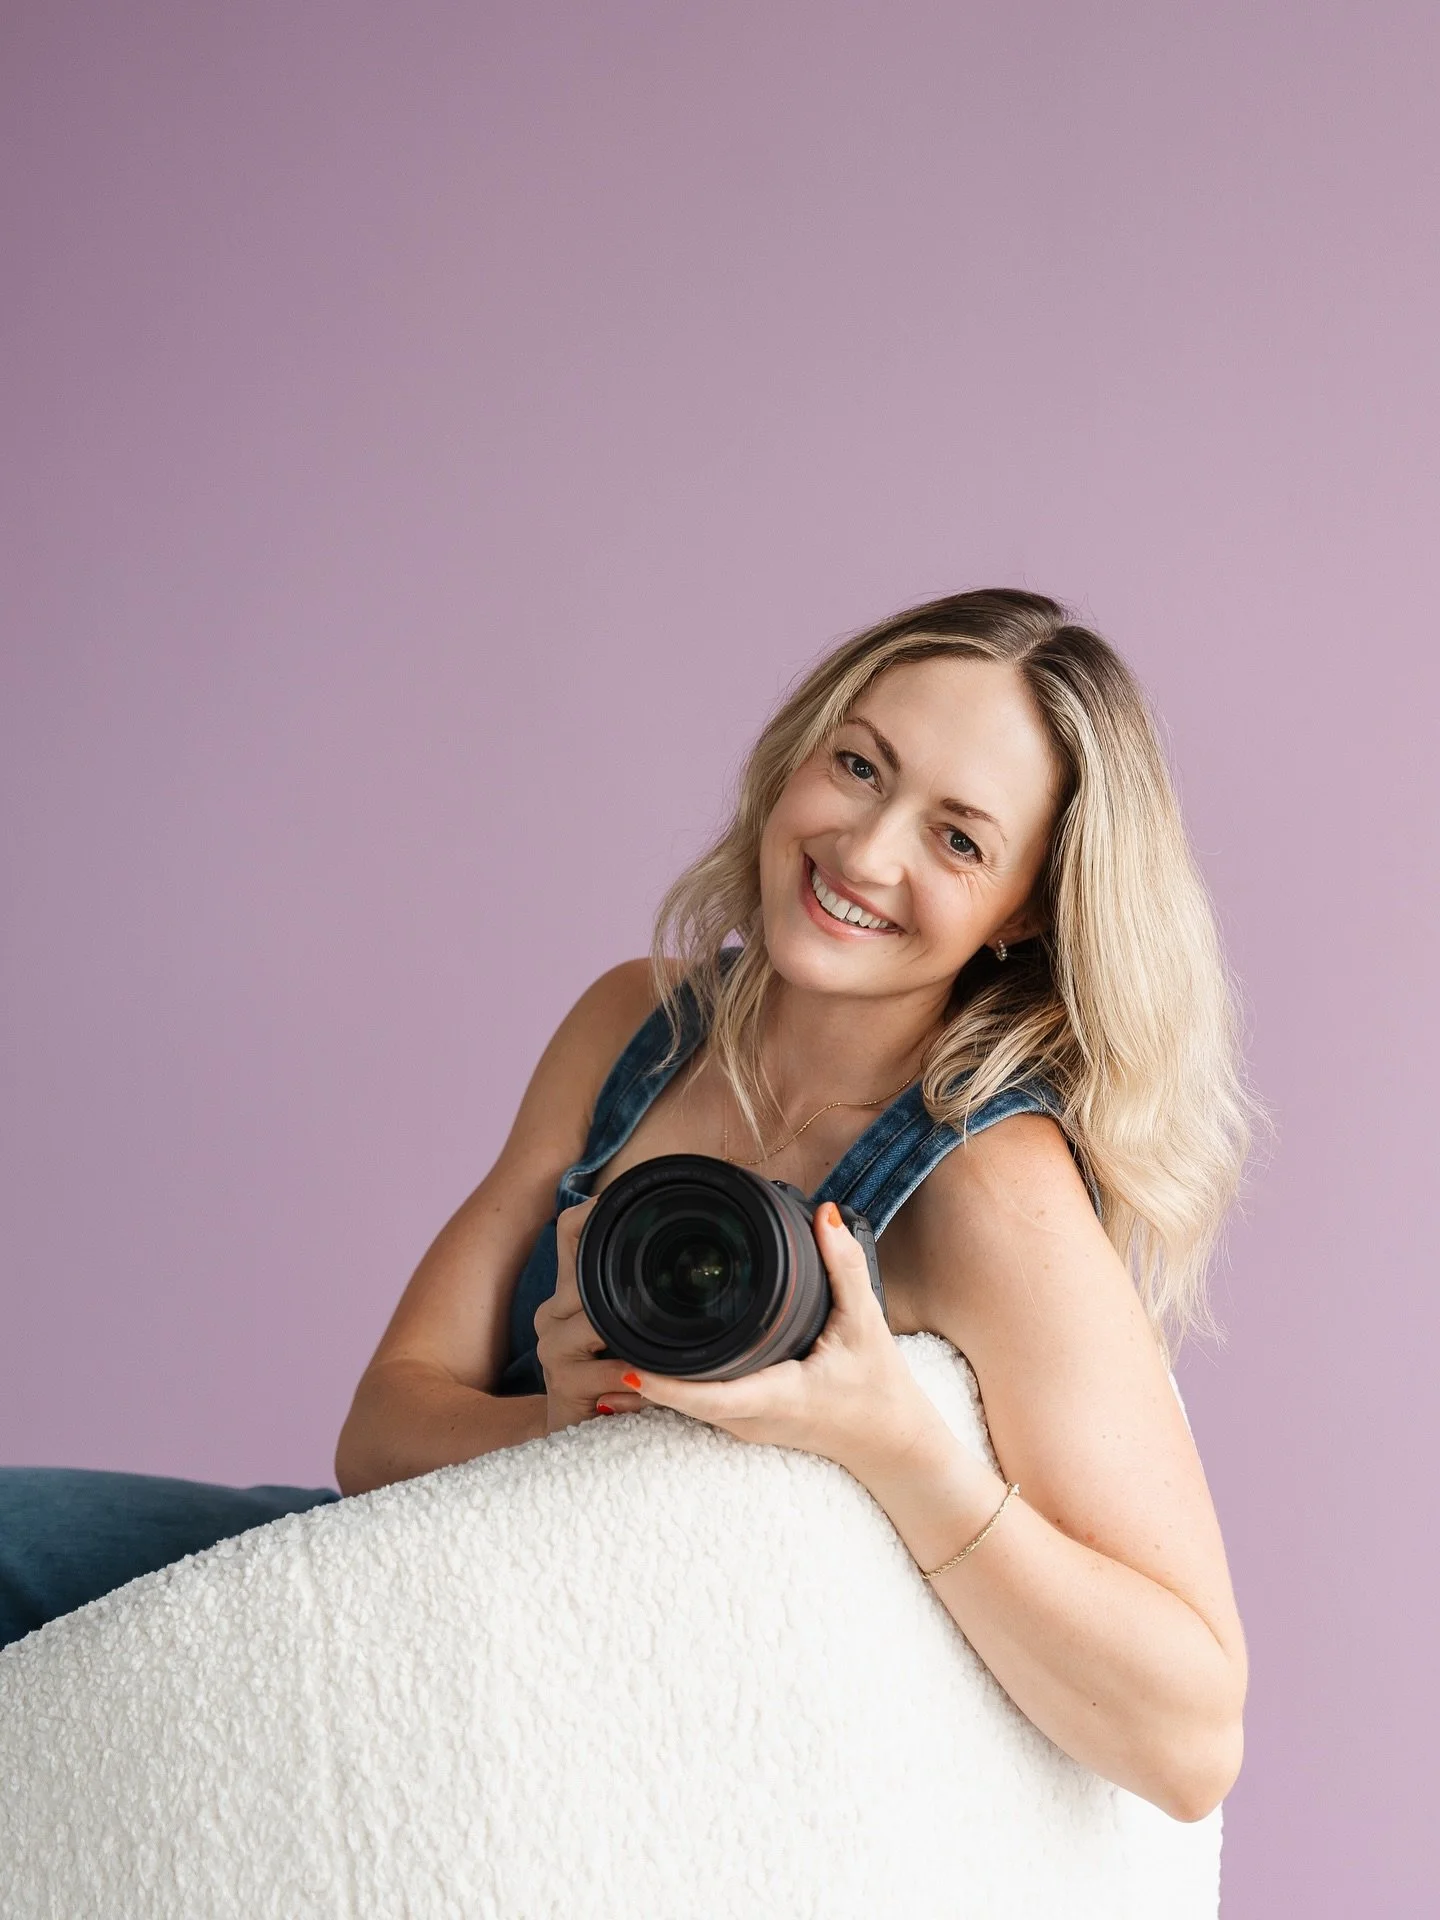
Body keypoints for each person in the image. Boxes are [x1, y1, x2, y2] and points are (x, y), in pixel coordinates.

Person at [2, 586, 1259, 1828]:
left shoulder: (988, 1184)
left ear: (1025, 910)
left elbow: (1190, 1740)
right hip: (404, 1590)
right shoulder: (638, 1028)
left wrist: (897, 1444)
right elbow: (380, 1432)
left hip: (624, 1728)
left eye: (959, 838)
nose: (867, 853)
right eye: (861, 767)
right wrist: (565, 1421)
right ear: (796, 759)